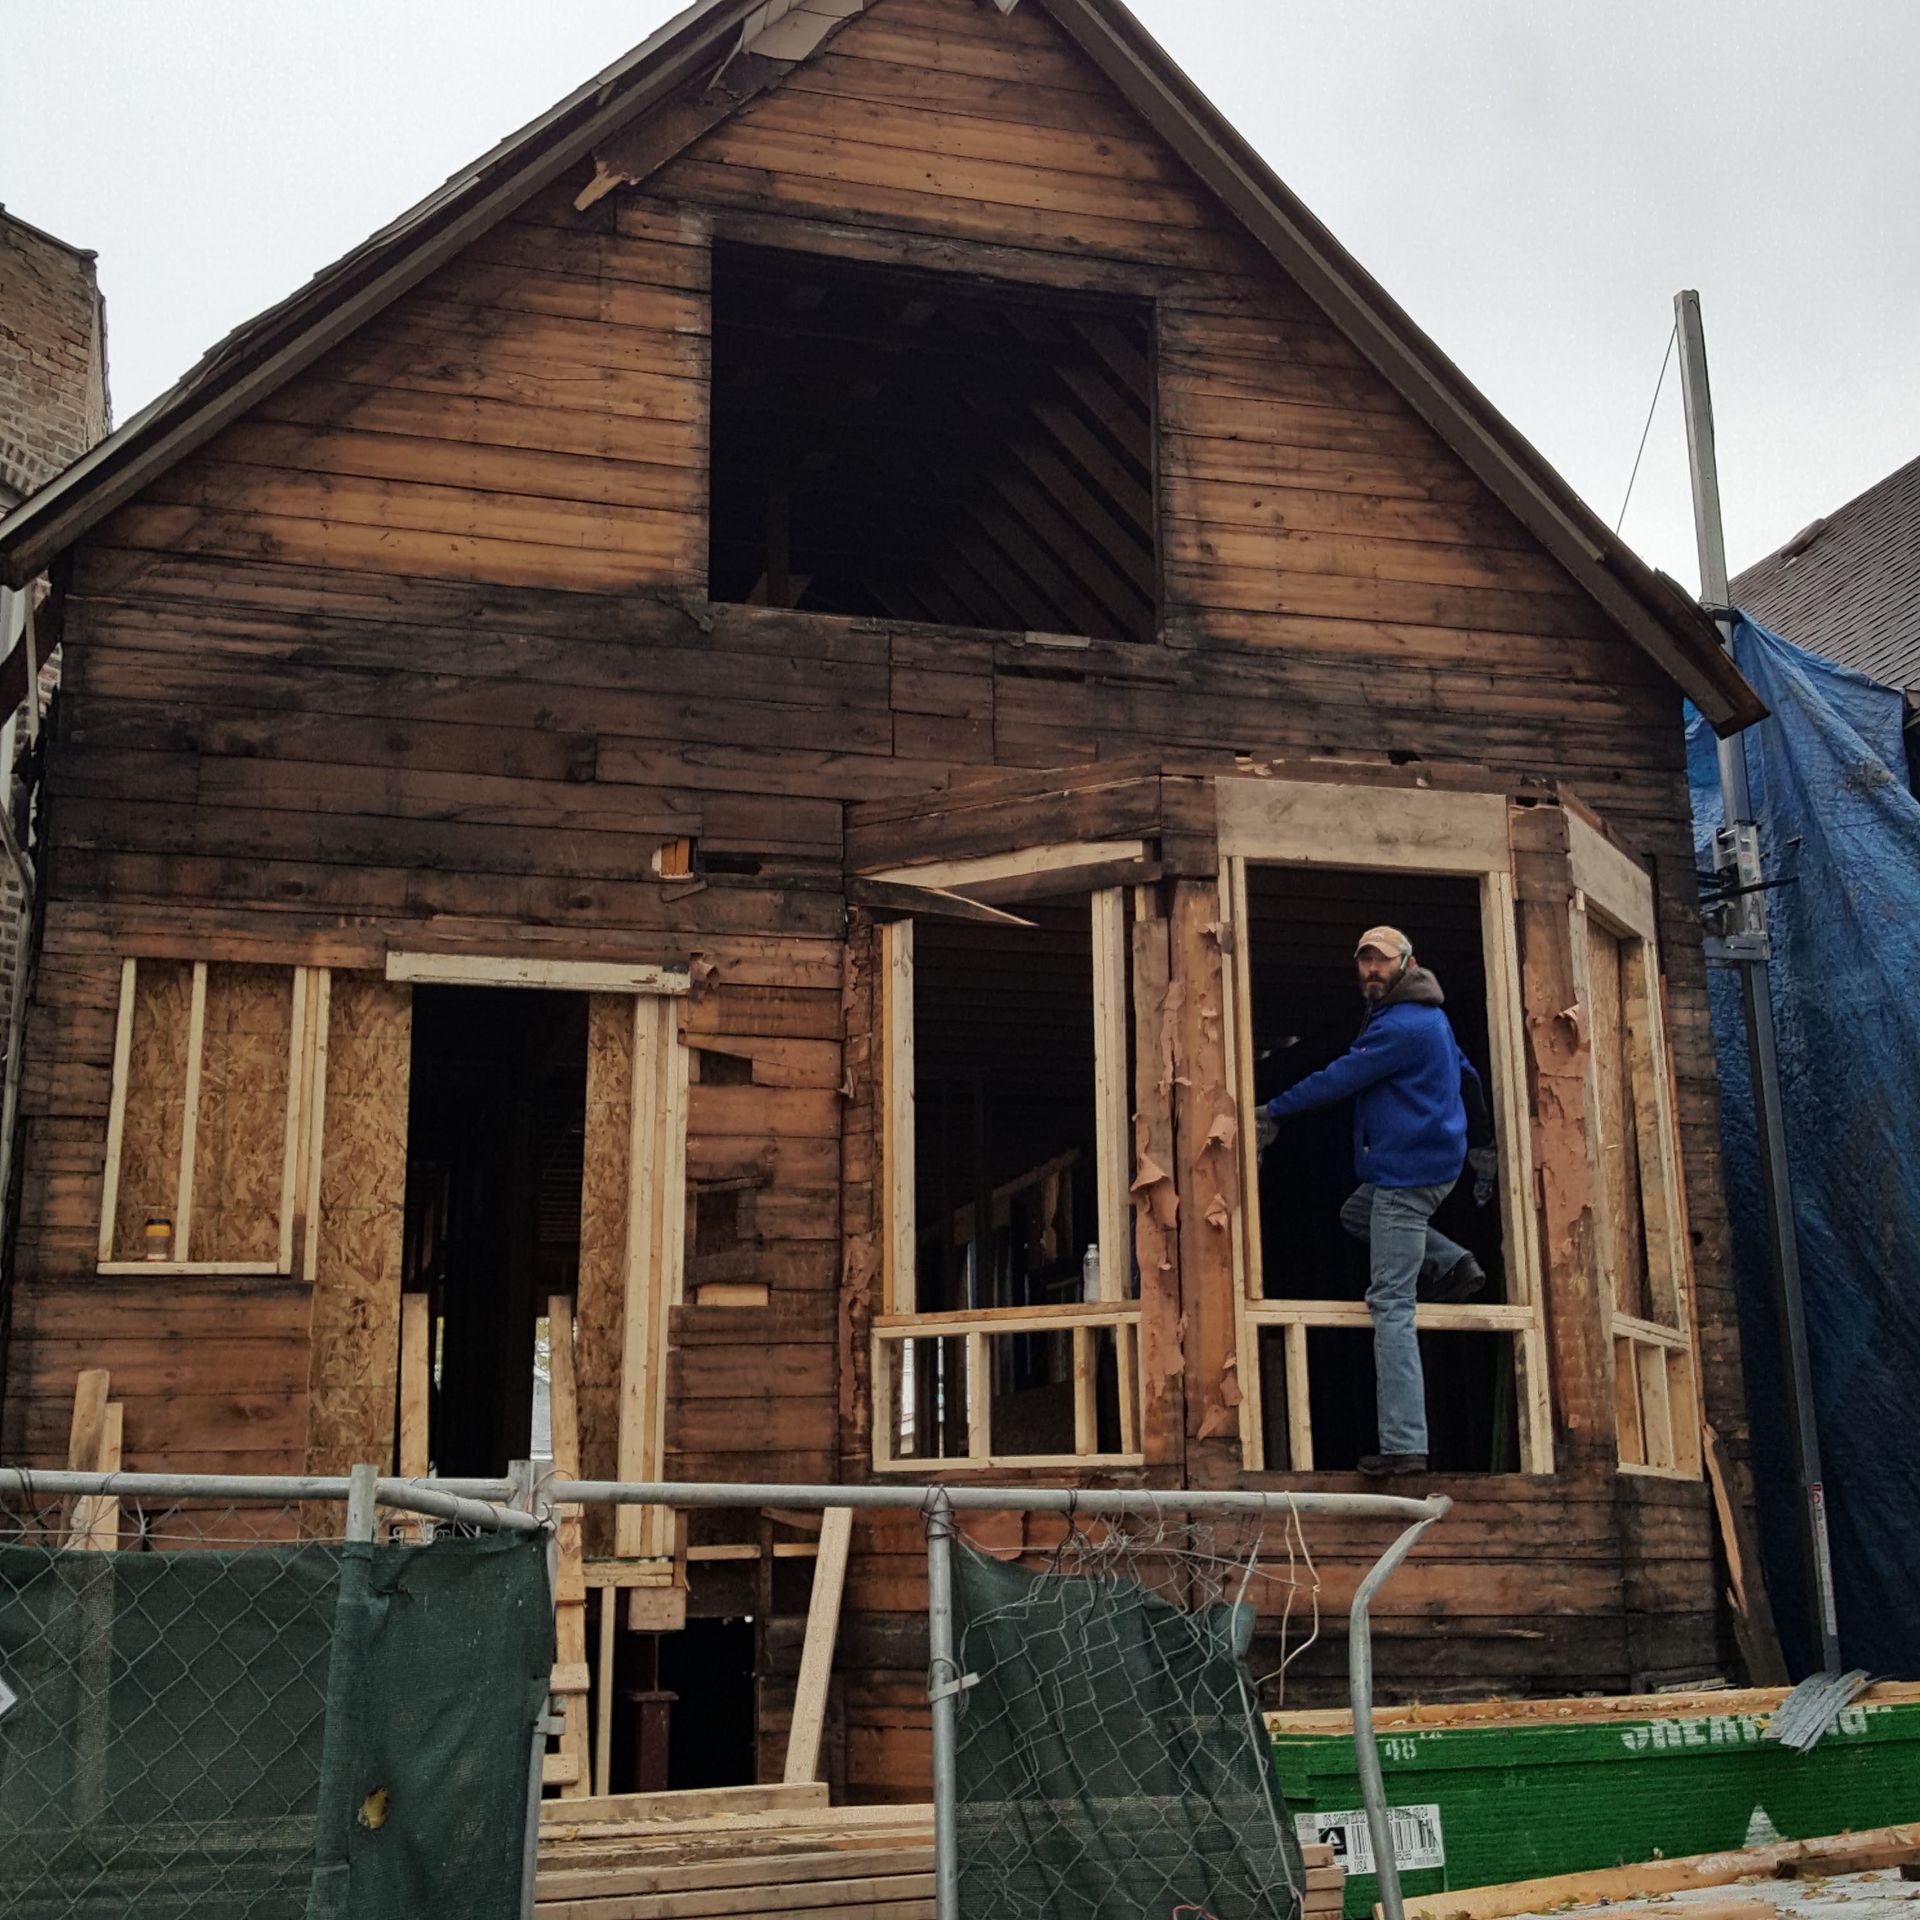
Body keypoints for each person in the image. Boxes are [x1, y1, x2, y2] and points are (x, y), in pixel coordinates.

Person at [1261, 926, 1494, 1477]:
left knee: (1390, 1306)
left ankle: (1405, 1446)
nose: (1372, 970)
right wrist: (1481, 1142)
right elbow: (1467, 1074)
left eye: (1382, 962)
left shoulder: (1404, 1025)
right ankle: (1453, 1262)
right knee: (1354, 1213)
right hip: (1430, 1169)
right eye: (1365, 961)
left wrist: (1273, 1111)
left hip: (1406, 1177)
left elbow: (1341, 1077)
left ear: (1407, 964)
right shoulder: (1428, 1018)